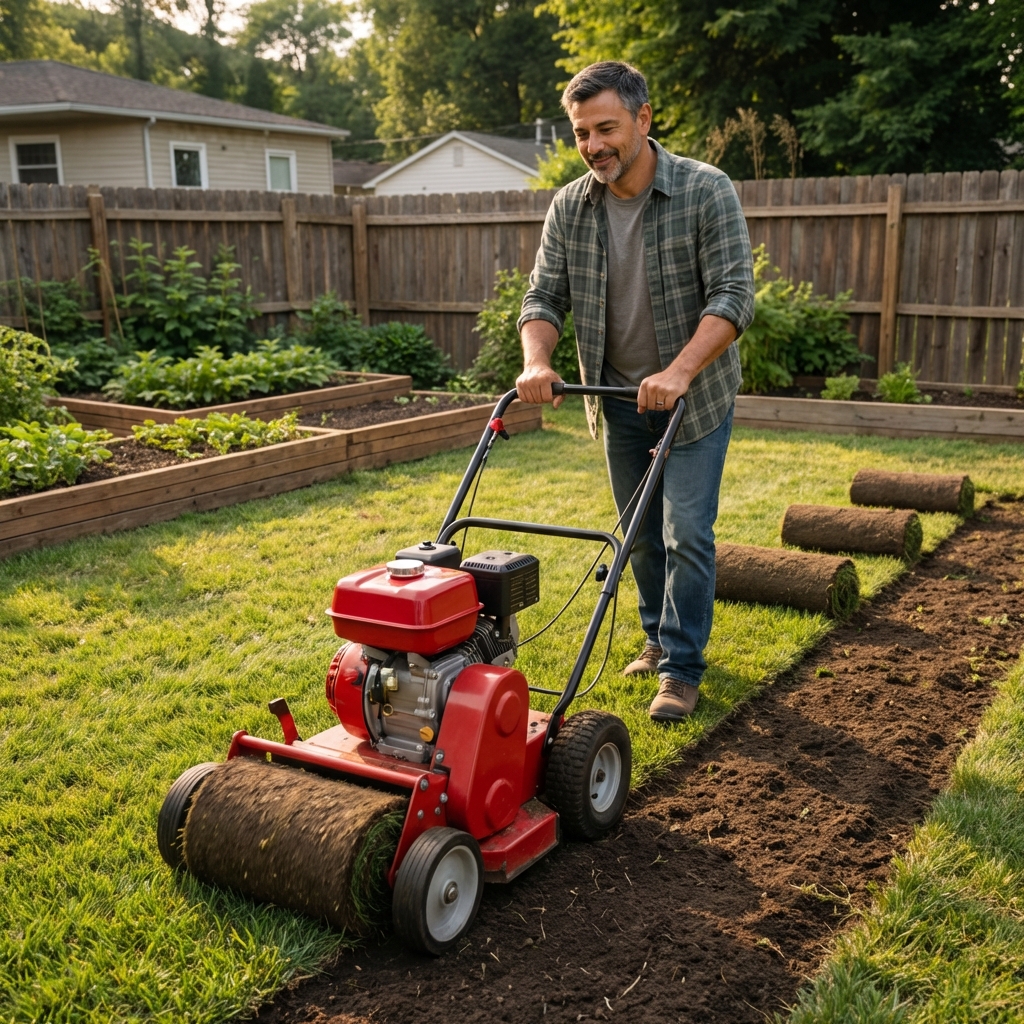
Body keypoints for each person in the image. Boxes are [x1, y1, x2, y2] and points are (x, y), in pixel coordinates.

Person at [515, 61, 754, 722]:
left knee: (687, 534)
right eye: (582, 132)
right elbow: (543, 297)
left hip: (693, 401)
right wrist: (538, 362)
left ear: (644, 120)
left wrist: (679, 370)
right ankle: (655, 639)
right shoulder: (571, 206)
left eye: (606, 128)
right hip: (619, 401)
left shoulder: (706, 191)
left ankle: (681, 668)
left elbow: (734, 296)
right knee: (639, 536)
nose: (593, 145)